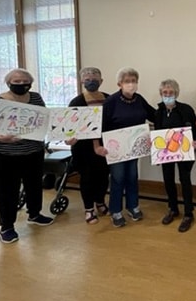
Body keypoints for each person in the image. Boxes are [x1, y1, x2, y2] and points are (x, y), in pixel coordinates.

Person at [0, 68, 54, 243]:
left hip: (33, 152)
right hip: (4, 154)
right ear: (8, 83)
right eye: (17, 82)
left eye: (25, 82)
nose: (22, 85)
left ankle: (35, 214)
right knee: (6, 191)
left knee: (34, 185)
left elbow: (43, 120)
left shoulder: (36, 98)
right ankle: (6, 227)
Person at [94, 67, 156, 228]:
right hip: (116, 148)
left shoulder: (139, 99)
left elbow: (154, 115)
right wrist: (97, 146)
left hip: (134, 147)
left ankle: (133, 206)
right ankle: (115, 210)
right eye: (127, 81)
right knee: (118, 178)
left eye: (134, 81)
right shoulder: (111, 102)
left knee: (132, 176)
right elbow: (98, 125)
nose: (131, 84)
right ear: (119, 84)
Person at [155, 79, 196, 233]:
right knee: (168, 179)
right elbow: (157, 134)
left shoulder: (186, 109)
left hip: (185, 152)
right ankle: (173, 208)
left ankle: (188, 213)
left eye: (171, 92)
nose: (168, 94)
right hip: (166, 154)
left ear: (176, 93)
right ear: (161, 94)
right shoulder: (159, 112)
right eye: (165, 92)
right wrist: (156, 150)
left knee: (184, 179)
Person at [66, 67, 110, 224]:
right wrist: (69, 138)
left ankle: (100, 202)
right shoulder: (76, 102)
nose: (91, 81)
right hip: (83, 148)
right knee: (87, 177)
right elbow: (69, 127)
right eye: (87, 79)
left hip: (105, 145)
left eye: (95, 79)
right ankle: (89, 209)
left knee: (104, 176)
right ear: (81, 81)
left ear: (101, 81)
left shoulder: (108, 98)